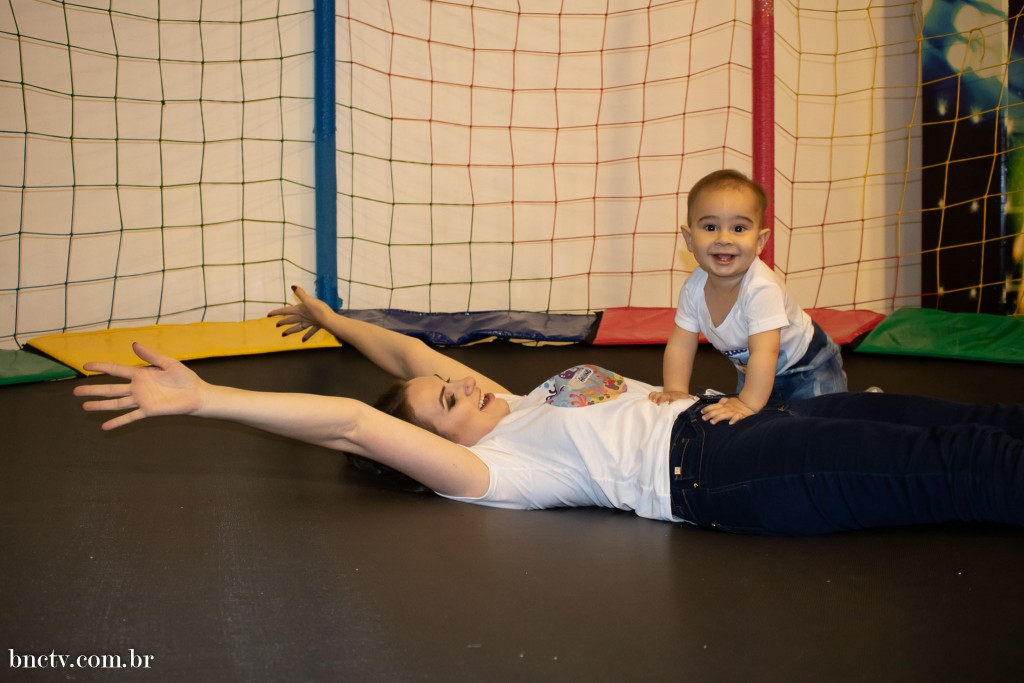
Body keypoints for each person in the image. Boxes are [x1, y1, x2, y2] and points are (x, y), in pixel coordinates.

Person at [74, 286, 1024, 536]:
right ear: (429, 449)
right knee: (958, 467)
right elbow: (359, 423)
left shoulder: (520, 400)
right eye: (448, 403)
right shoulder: (492, 471)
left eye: (458, 381)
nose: (466, 384)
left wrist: (332, 320)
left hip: (740, 418)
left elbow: (407, 356)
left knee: (965, 423)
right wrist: (205, 398)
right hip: (725, 473)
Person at [650, 169, 847, 424]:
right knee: (762, 428)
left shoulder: (761, 288)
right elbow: (681, 344)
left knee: (823, 424)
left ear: (760, 241)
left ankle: (866, 405)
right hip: (754, 371)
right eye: (710, 227)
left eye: (739, 228)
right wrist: (675, 389)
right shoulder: (693, 288)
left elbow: (766, 352)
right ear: (689, 238)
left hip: (808, 367)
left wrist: (747, 403)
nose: (724, 239)